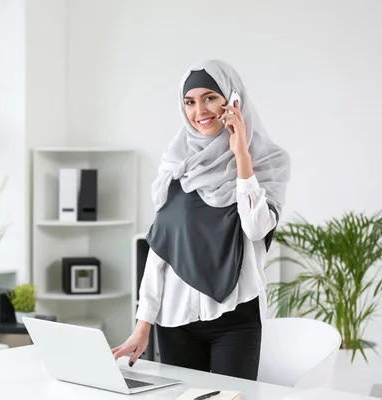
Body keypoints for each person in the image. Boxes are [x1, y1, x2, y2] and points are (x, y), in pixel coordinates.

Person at [112, 59, 291, 380]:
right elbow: (161, 248)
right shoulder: (176, 163)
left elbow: (256, 227)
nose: (200, 111)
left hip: (236, 316)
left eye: (210, 97)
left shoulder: (268, 160)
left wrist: (241, 156)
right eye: (190, 102)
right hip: (175, 318)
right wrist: (143, 324)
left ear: (232, 99)